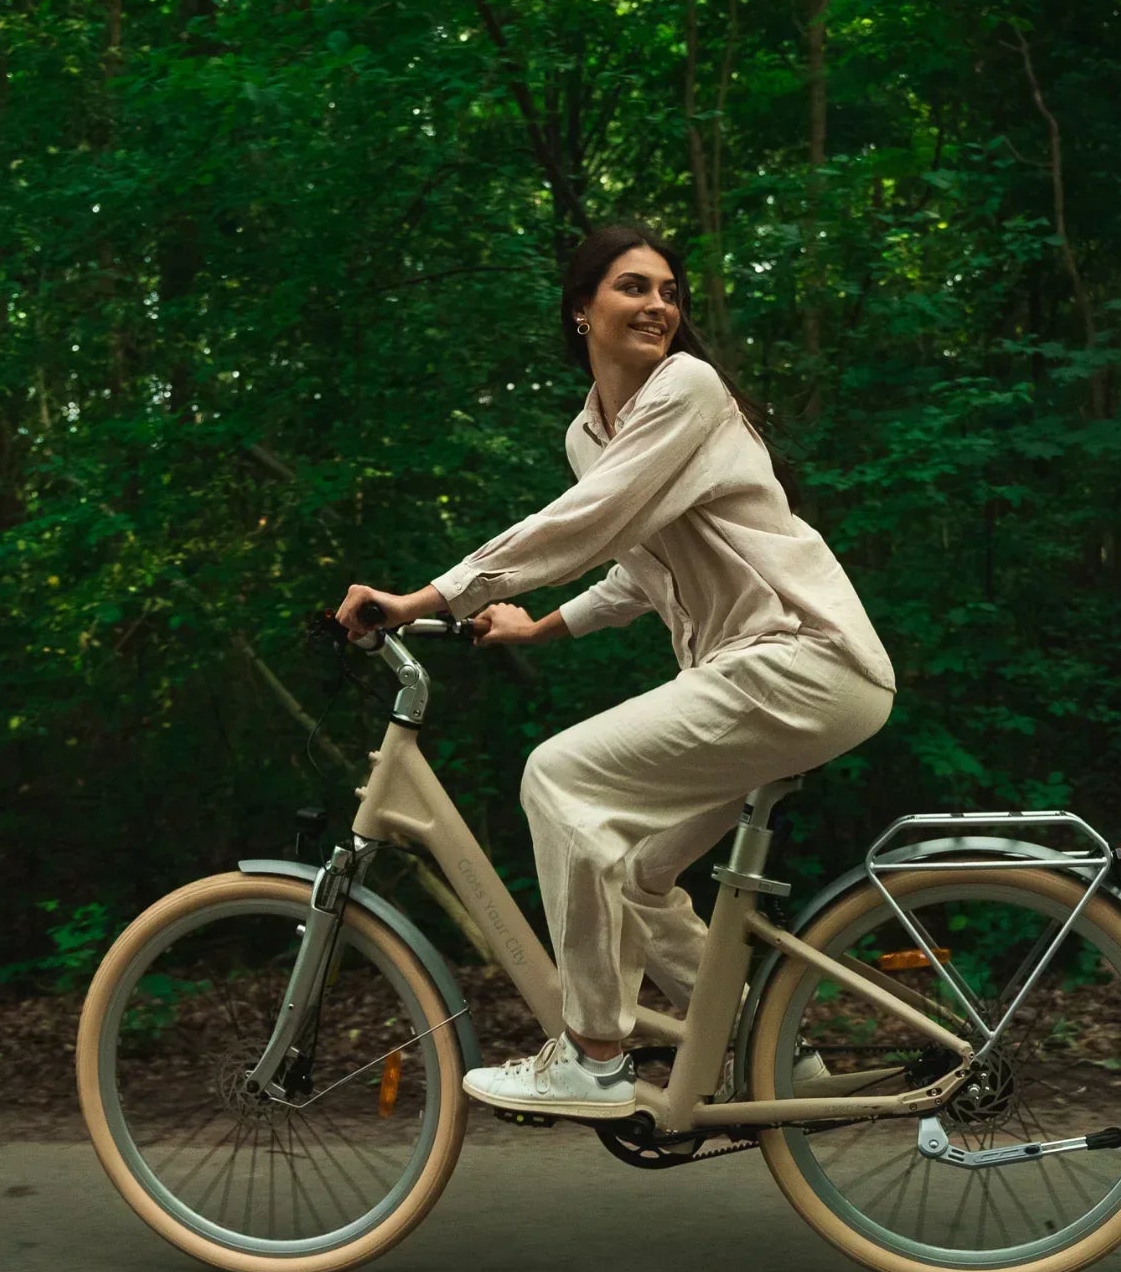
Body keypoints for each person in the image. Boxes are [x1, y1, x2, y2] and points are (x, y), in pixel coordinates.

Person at [334, 221, 896, 1121]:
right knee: (634, 872)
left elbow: (586, 521)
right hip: (765, 675)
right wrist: (540, 627)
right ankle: (778, 1050)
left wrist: (427, 597)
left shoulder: (689, 388)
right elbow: (636, 564)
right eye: (634, 288)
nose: (659, 306)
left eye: (669, 291)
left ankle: (592, 1052)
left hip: (799, 658)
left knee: (558, 779)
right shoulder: (590, 434)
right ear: (581, 309)